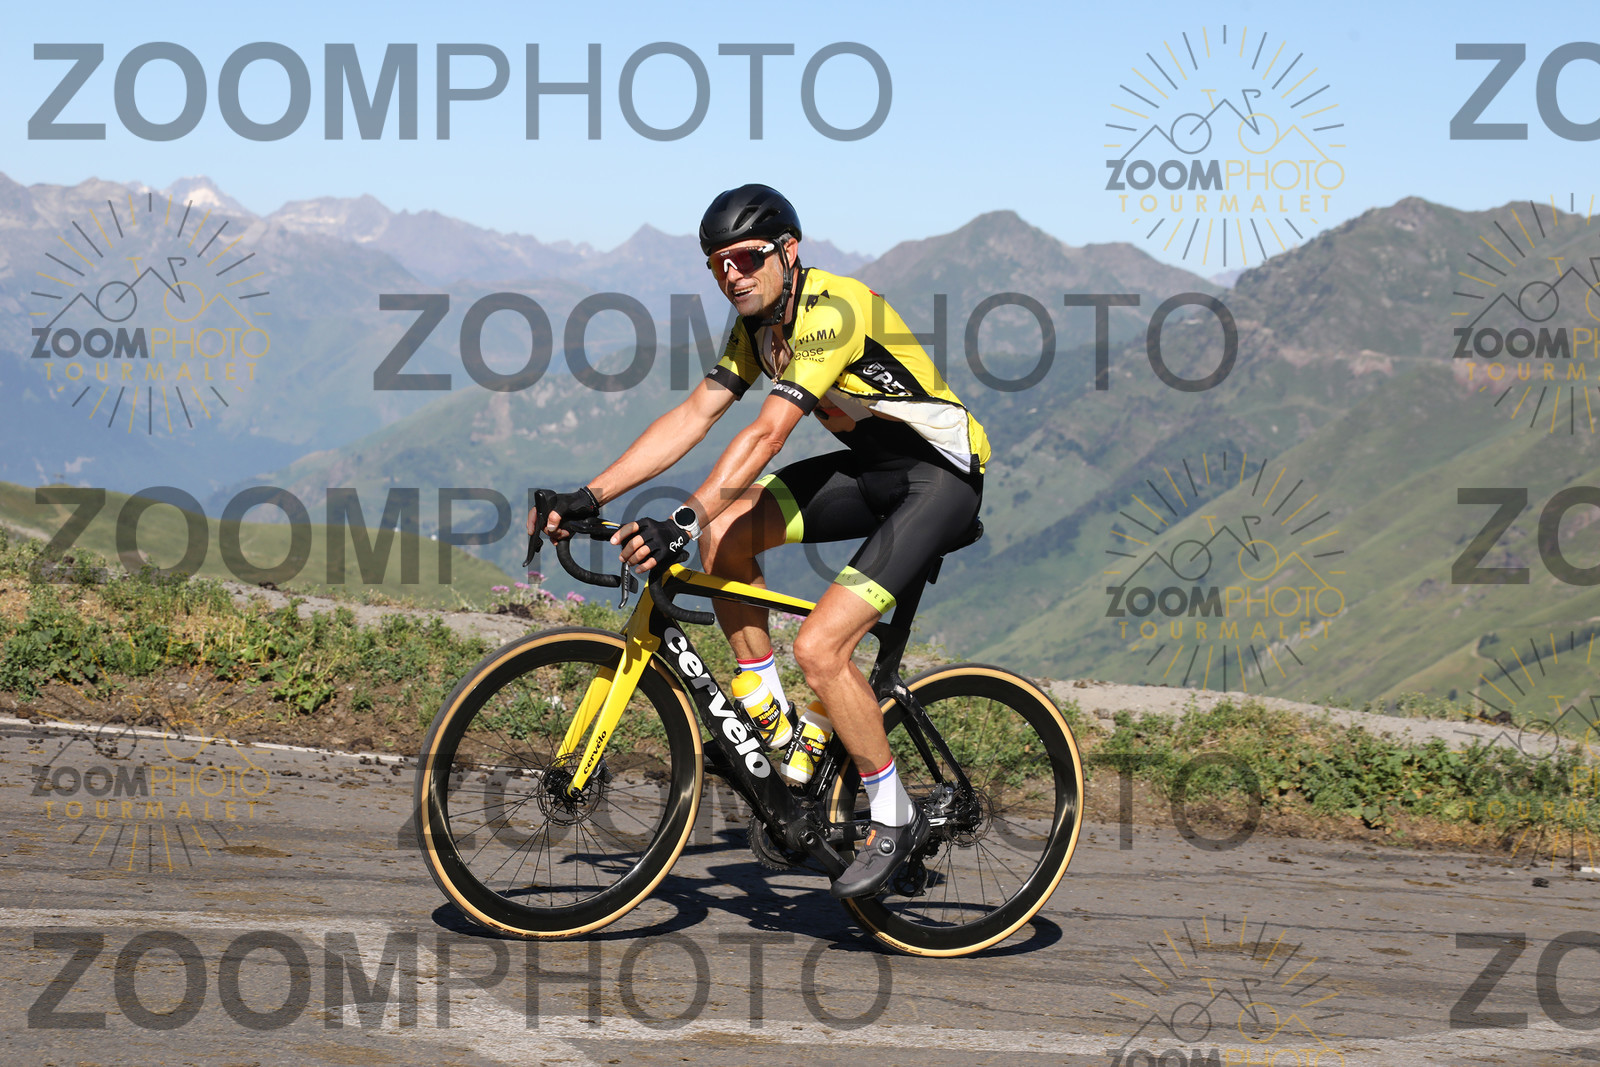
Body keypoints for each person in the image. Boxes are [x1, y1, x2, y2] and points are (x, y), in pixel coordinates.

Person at [528, 184, 991, 898]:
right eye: (718, 264)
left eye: (746, 258)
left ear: (787, 252)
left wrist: (680, 520)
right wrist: (589, 496)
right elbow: (695, 414)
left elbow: (768, 433)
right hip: (872, 472)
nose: (732, 275)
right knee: (726, 529)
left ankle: (894, 815)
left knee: (821, 649)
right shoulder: (757, 326)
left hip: (939, 480)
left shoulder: (833, 310)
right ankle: (777, 724)